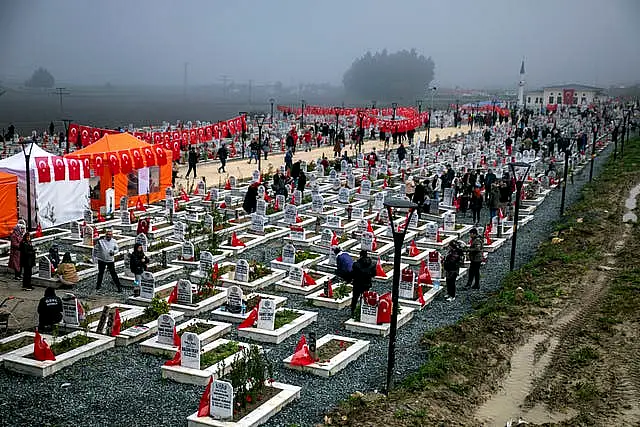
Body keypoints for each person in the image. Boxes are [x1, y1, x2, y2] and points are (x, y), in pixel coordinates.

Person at [350, 250, 376, 316]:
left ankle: (353, 310)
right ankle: (364, 310)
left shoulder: (356, 264)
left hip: (357, 284)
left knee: (355, 297)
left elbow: (353, 274)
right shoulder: (372, 264)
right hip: (366, 283)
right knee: (365, 297)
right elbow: (374, 274)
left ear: (360, 255)